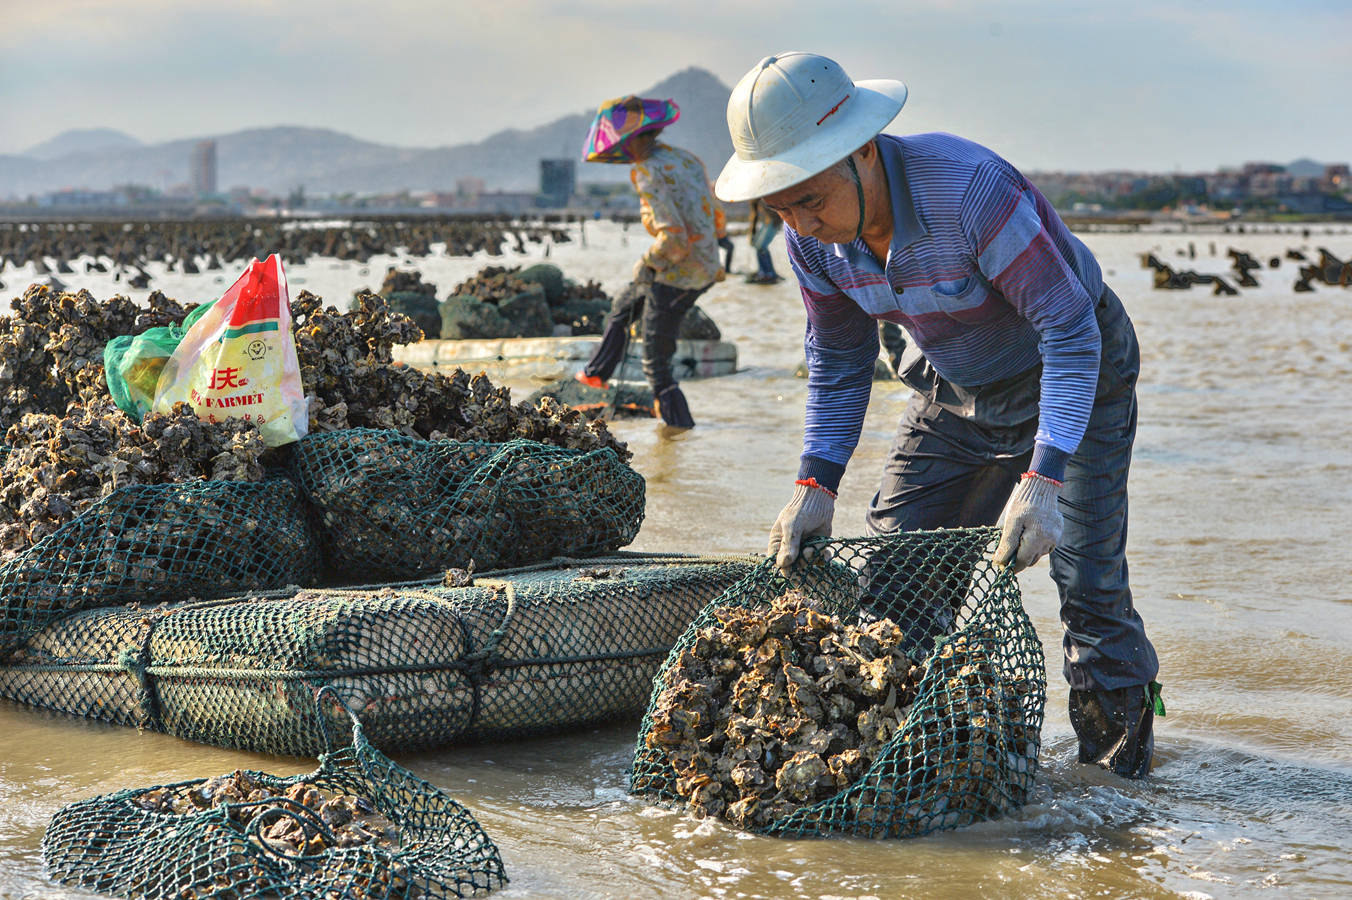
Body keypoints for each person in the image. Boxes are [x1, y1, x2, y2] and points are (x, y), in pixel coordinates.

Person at [714, 52, 1161, 779]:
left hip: (1076, 373)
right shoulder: (812, 242)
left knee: (1089, 585)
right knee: (895, 580)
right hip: (953, 390)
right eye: (780, 207)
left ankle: (1118, 794)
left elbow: (1070, 331)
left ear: (862, 150)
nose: (800, 223)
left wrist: (1045, 477)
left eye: (811, 198)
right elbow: (837, 358)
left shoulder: (970, 193)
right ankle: (913, 772)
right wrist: (814, 484)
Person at [575, 94, 724, 428]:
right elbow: (716, 217)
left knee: (656, 361)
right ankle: (596, 373)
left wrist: (647, 260)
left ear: (628, 142)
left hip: (678, 273)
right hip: (705, 264)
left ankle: (678, 430)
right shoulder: (685, 158)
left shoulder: (647, 171)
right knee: (626, 302)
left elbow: (673, 237)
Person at [747, 198, 783, 284]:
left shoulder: (762, 198)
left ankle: (769, 273)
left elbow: (775, 214)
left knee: (761, 246)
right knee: (758, 246)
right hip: (768, 222)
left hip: (774, 222)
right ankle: (764, 271)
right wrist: (752, 234)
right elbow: (754, 217)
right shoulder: (755, 201)